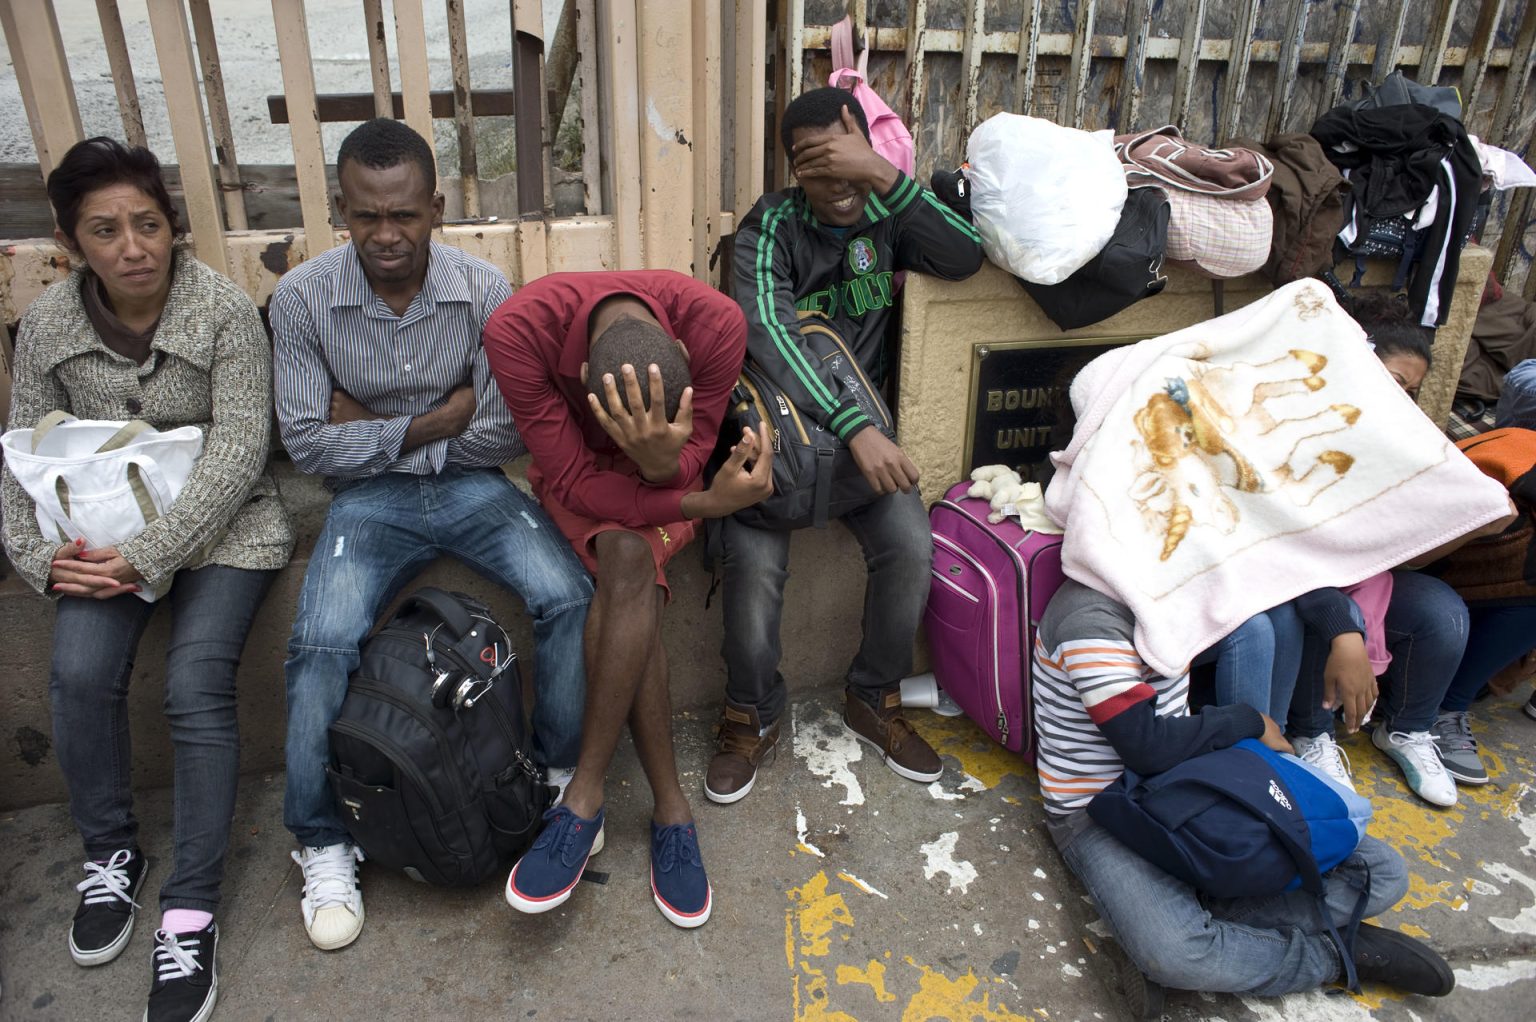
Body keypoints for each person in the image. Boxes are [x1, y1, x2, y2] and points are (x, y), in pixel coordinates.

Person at [269, 118, 592, 950]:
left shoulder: (484, 291)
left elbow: (503, 434)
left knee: (566, 593)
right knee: (320, 644)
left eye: (404, 215)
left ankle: (556, 782)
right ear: (341, 210)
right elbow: (306, 442)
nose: (386, 234)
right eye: (367, 216)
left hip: (470, 488)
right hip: (368, 503)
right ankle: (323, 840)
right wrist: (433, 418)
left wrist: (374, 423)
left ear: (436, 207)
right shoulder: (305, 298)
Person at [1, 137, 294, 1022]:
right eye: (105, 230)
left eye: (147, 224)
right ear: (69, 240)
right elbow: (20, 453)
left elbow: (242, 450)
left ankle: (192, 909)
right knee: (80, 674)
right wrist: (42, 557)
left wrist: (155, 554)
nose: (133, 246)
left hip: (223, 530)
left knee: (195, 685)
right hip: (98, 542)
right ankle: (110, 855)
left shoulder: (222, 312)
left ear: (172, 228)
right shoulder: (48, 327)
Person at [714, 87, 984, 802]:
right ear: (794, 170)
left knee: (911, 546)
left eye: (847, 162)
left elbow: (965, 259)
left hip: (859, 455)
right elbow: (769, 334)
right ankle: (751, 712)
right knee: (751, 570)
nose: (836, 186)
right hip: (781, 444)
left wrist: (883, 176)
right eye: (817, 168)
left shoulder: (884, 214)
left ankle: (874, 697)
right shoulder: (769, 226)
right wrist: (855, 426)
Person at [483, 270, 770, 927]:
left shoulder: (718, 327)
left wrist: (665, 465)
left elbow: (692, 459)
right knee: (628, 555)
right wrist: (698, 501)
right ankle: (669, 809)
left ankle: (582, 801)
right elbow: (580, 482)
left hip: (673, 480)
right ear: (584, 371)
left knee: (629, 557)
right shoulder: (516, 331)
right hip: (577, 476)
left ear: (687, 363)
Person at [1033, 578, 1454, 1002]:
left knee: (1381, 874)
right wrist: (1247, 720)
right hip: (1097, 810)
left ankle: (1205, 928)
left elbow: (1290, 574)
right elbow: (1145, 744)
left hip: (1182, 780)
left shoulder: (1176, 580)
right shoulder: (1091, 617)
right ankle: (1335, 955)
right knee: (1176, 954)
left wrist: (1346, 635)